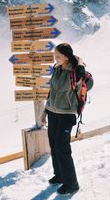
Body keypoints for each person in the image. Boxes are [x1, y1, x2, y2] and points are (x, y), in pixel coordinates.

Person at [40, 43, 85, 196]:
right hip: (53, 111)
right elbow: (52, 91)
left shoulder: (76, 72)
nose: (55, 58)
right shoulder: (57, 68)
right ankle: (60, 175)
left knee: (62, 147)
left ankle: (72, 184)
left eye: (58, 56)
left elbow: (80, 63)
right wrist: (45, 111)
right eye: (55, 55)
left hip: (67, 114)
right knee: (54, 145)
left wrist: (78, 62)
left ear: (66, 57)